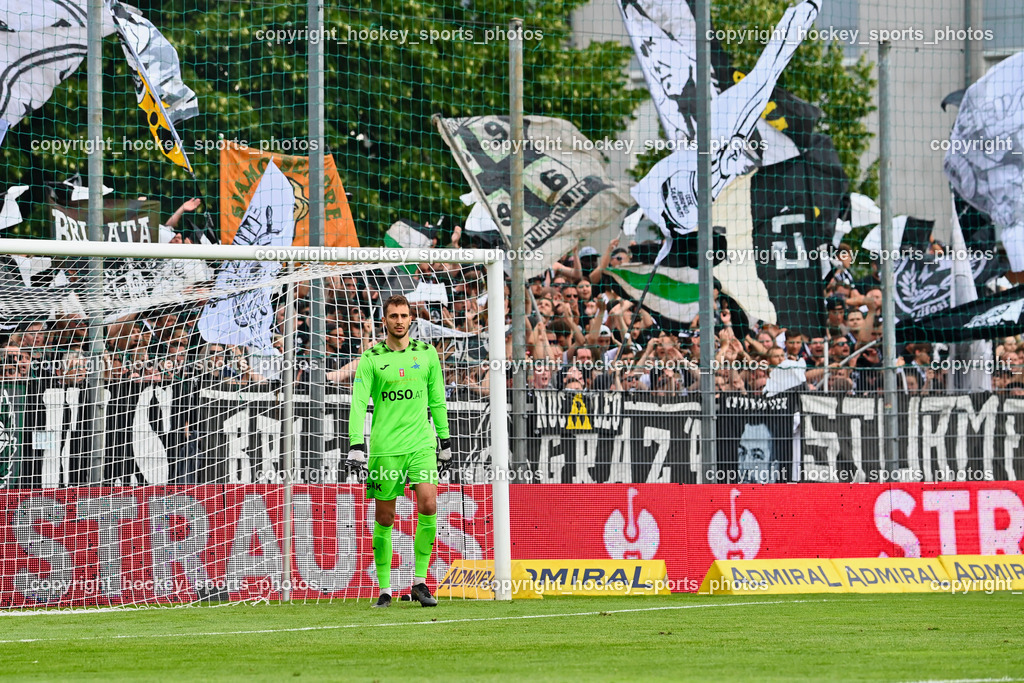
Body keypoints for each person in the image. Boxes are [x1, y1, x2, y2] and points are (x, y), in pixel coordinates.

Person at [347, 294, 451, 609]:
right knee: (385, 516)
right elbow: (358, 403)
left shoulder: (427, 354)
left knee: (429, 504)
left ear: (410, 319)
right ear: (385, 320)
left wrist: (444, 441)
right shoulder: (371, 358)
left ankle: (419, 582)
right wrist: (355, 444)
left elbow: (437, 399)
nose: (400, 321)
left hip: (421, 444)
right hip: (386, 448)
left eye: (404, 315)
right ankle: (385, 589)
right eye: (394, 316)